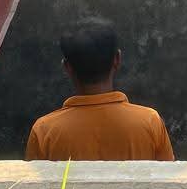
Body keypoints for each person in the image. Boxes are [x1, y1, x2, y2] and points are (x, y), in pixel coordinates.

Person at [25, 18, 175, 161]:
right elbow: (168, 177)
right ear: (117, 59)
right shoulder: (150, 122)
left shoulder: (44, 131)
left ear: (67, 67)